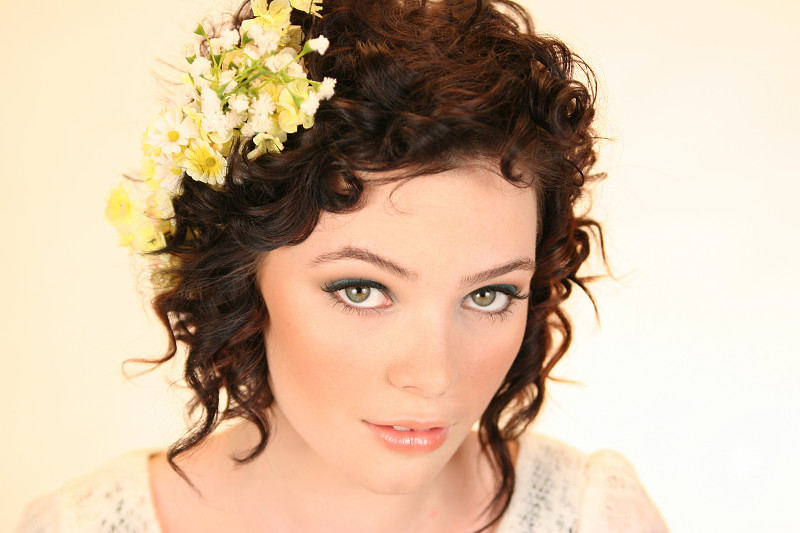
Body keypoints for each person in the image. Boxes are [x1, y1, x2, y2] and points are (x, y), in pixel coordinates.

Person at [16, 0, 669, 531]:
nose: (433, 375)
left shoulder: (596, 519)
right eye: (361, 289)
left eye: (490, 294)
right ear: (241, 278)